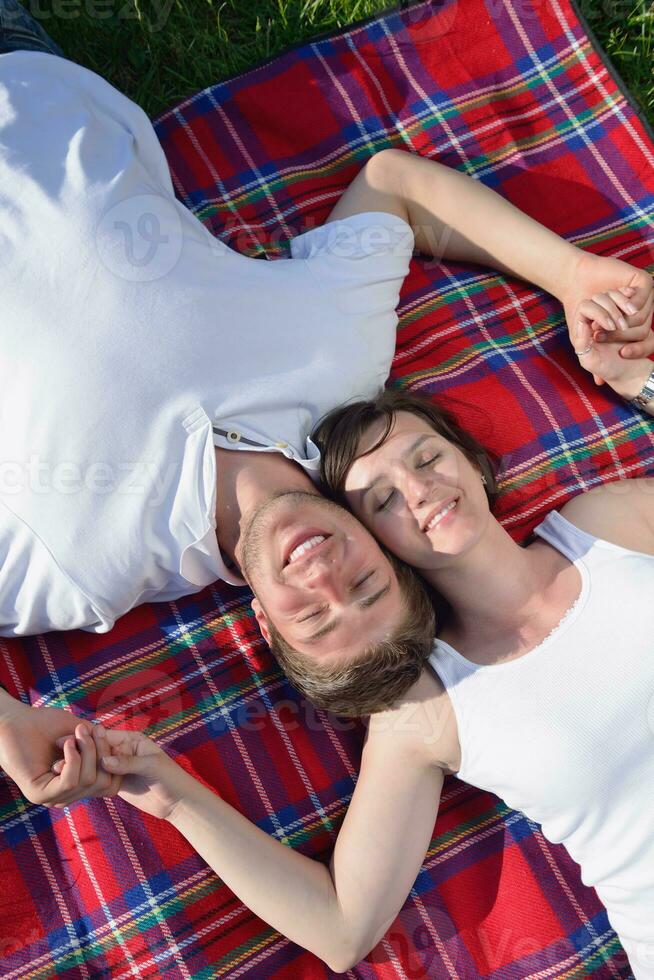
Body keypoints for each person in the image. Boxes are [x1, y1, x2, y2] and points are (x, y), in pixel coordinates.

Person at [0, 0, 653, 816]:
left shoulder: (83, 571)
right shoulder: (336, 364)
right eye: (368, 587)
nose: (322, 577)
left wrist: (8, 725)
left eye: (312, 615)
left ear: (267, 627)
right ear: (386, 547)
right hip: (25, 89)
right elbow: (397, 189)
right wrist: (570, 276)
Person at [47, 310, 654, 975]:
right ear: (375, 548)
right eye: (385, 501)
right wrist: (169, 793)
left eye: (428, 459)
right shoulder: (430, 707)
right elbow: (341, 928)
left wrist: (640, 384)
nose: (422, 491)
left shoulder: (604, 528)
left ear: (475, 466)